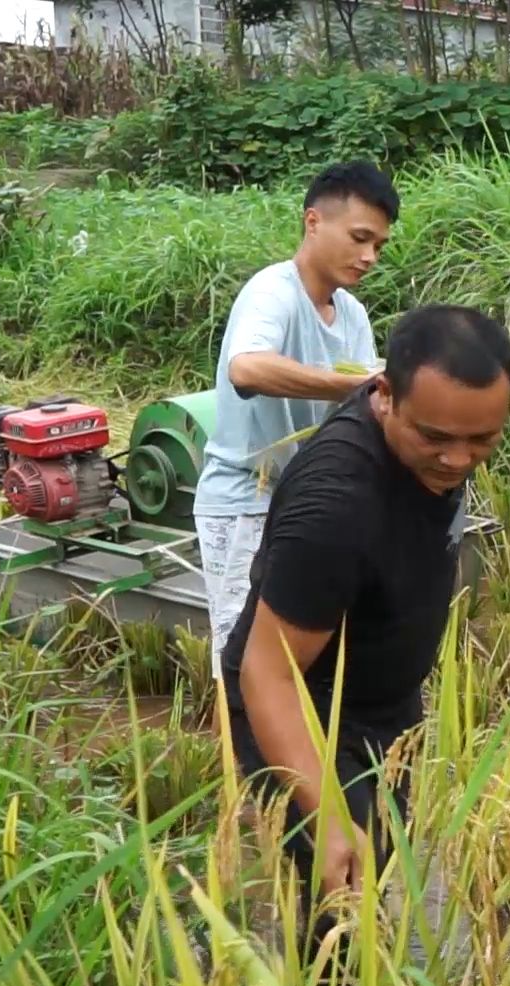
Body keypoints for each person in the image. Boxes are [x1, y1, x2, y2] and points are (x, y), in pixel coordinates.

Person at [220, 304, 510, 986]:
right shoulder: (337, 507)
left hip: (381, 706)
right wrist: (321, 809)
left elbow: (454, 440)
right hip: (308, 715)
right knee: (341, 912)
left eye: (483, 439)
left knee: (375, 871)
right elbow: (267, 669)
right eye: (435, 437)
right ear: (382, 394)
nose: (457, 458)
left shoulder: (440, 427)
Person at [193, 161, 398, 678]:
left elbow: (367, 409)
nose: (370, 256)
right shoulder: (273, 293)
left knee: (301, 659)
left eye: (379, 245)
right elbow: (247, 367)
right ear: (313, 222)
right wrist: (352, 383)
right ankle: (235, 759)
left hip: (307, 500)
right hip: (246, 502)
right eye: (359, 238)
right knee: (241, 664)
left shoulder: (351, 314)